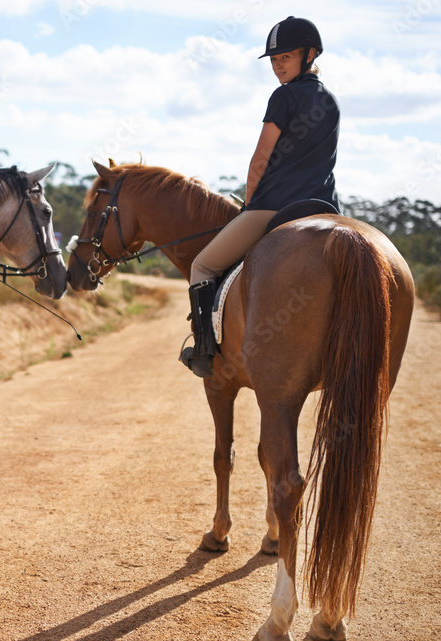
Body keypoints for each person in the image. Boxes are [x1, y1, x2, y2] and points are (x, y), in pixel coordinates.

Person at [180, 16, 340, 378]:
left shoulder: (283, 96)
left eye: (285, 57)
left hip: (274, 208)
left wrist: (250, 203)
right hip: (325, 209)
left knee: (202, 266)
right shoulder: (330, 101)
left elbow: (260, 159)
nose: (277, 65)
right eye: (273, 60)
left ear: (310, 54)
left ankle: (205, 352)